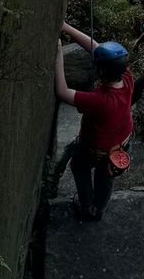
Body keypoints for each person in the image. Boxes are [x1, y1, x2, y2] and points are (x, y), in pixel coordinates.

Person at [56, 21, 134, 221]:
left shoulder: (100, 100)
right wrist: (65, 27)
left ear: (100, 72)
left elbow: (63, 92)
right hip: (122, 143)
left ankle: (87, 207)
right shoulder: (127, 78)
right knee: (105, 181)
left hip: (96, 150)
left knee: (79, 168)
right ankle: (99, 209)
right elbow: (95, 47)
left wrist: (58, 56)